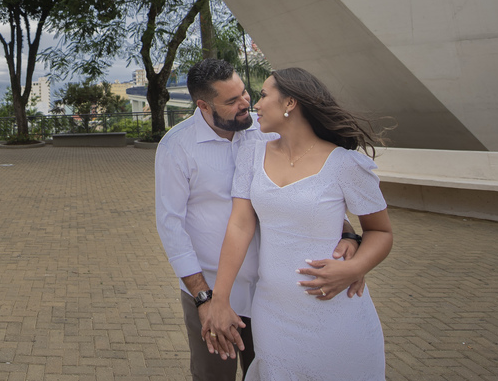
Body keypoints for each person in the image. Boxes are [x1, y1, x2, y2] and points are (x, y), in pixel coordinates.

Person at [155, 59, 363, 381]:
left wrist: (347, 234)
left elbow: (306, 191)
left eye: (244, 92)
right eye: (231, 100)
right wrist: (204, 298)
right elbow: (171, 226)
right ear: (203, 106)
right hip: (212, 291)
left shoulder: (266, 131)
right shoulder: (176, 147)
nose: (245, 103)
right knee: (214, 376)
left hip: (273, 293)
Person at [202, 67, 393, 381]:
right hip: (273, 314)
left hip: (337, 313)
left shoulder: (345, 164)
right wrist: (219, 299)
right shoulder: (251, 154)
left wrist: (354, 268)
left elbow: (380, 231)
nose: (255, 103)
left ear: (290, 103)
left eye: (264, 95)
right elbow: (239, 226)